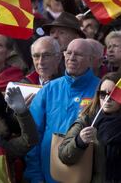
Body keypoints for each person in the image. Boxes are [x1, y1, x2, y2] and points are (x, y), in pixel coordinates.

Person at [24, 38, 100, 182]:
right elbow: (33, 136)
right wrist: (35, 177)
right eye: (69, 53)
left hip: (85, 175)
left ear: (90, 59)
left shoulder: (101, 91)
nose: (71, 58)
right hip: (48, 176)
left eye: (78, 54)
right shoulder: (49, 89)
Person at [58, 72, 121, 182]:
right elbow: (64, 155)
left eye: (112, 94)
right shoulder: (86, 120)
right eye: (102, 94)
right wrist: (79, 141)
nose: (107, 99)